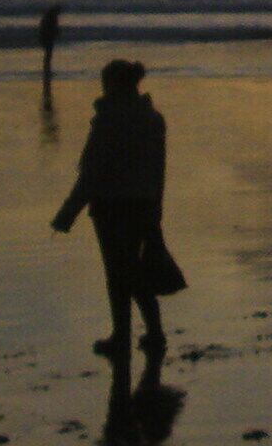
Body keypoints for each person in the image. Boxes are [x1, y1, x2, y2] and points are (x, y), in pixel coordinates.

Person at [51, 57, 178, 360]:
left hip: (111, 206)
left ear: (112, 85)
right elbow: (158, 168)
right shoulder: (153, 119)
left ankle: (122, 336)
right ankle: (154, 331)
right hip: (144, 203)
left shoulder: (108, 120)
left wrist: (69, 211)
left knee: (117, 273)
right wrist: (157, 207)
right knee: (135, 269)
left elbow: (92, 172)